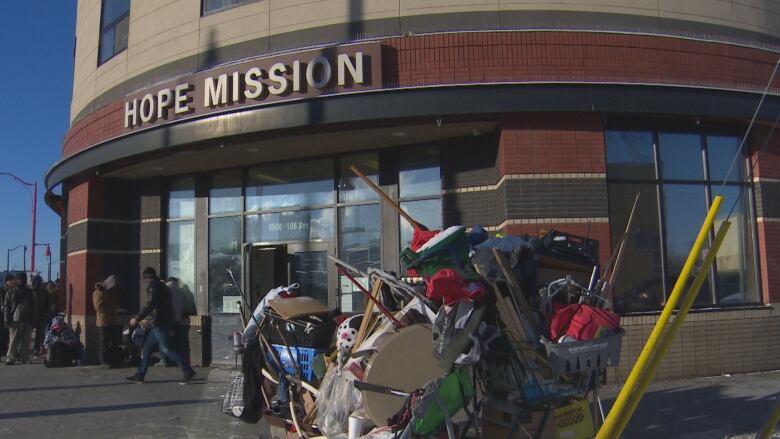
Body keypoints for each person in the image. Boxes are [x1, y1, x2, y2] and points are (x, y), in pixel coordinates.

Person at [126, 268, 196, 384]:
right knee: (147, 349)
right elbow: (169, 307)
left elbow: (150, 305)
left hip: (160, 323)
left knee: (166, 348)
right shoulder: (163, 286)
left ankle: (187, 370)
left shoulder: (154, 287)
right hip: (161, 323)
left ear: (147, 278)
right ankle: (140, 374)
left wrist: (137, 318)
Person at [162, 277, 196, 367]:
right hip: (180, 320)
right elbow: (184, 305)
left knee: (166, 344)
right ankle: (184, 363)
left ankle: (169, 362)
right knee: (182, 345)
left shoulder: (165, 289)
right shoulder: (181, 291)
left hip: (169, 320)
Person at [4, 272, 35, 365]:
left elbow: (34, 306)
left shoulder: (29, 292)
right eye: (18, 279)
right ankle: (10, 357)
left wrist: (34, 319)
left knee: (26, 340)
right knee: (13, 340)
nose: (20, 281)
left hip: (28, 319)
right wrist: (6, 319)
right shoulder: (11, 292)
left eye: (22, 279)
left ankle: (25, 357)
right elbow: (7, 307)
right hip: (15, 319)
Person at [93, 275, 121, 368]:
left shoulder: (112, 292)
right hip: (103, 320)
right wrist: (110, 308)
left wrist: (115, 308)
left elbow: (114, 303)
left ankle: (113, 360)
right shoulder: (99, 292)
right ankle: (104, 361)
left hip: (112, 319)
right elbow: (98, 307)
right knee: (104, 341)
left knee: (113, 341)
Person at [32, 275, 50, 357]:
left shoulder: (45, 292)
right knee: (28, 334)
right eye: (36, 281)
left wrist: (46, 313)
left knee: (40, 334)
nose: (38, 283)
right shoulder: (31, 291)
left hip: (42, 315)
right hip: (32, 315)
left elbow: (48, 304)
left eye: (39, 281)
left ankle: (38, 348)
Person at [0, 274, 14, 358]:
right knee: (3, 333)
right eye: (11, 280)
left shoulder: (14, 290)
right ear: (7, 281)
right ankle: (2, 350)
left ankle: (5, 350)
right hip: (2, 314)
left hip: (11, 314)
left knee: (9, 334)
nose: (13, 282)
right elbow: (2, 303)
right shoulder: (2, 290)